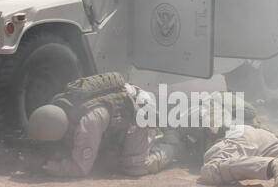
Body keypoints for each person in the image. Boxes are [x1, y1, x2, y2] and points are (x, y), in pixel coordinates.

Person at [28, 72, 178, 178]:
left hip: (140, 111)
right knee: (107, 159)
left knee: (135, 166)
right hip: (124, 106)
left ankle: (173, 144)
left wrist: (47, 166)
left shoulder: (87, 122)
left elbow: (80, 169)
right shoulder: (59, 105)